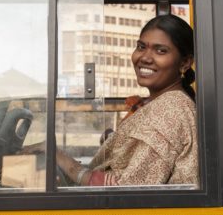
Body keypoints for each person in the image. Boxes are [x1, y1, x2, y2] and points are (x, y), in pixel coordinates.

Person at [22, 14, 199, 187]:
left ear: (184, 63)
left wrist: (58, 157)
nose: (145, 57)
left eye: (161, 50)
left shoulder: (168, 111)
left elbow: (126, 191)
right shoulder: (168, 103)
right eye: (141, 47)